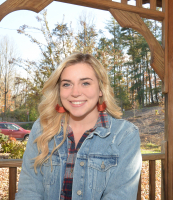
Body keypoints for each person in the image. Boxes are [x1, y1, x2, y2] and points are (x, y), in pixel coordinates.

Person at [16, 53, 142, 200]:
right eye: (67, 84)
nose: (75, 93)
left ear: (100, 89)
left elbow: (120, 196)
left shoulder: (124, 135)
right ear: (59, 90)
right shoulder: (42, 128)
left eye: (85, 83)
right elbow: (29, 190)